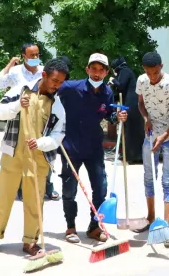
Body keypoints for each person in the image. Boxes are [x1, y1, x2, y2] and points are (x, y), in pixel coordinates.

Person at [0, 57, 70, 256]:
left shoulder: (57, 105)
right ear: (44, 75)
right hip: (13, 153)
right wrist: (16, 107)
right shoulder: (20, 91)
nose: (57, 85)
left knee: (34, 201)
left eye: (61, 82)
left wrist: (41, 143)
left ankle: (30, 241)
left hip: (38, 158)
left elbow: (58, 136)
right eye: (54, 80)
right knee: (4, 197)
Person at [57, 53, 128, 244]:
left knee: (100, 188)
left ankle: (94, 226)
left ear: (106, 72)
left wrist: (117, 117)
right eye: (93, 69)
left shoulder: (107, 93)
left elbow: (109, 115)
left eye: (101, 70)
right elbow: (50, 91)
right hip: (70, 146)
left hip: (94, 147)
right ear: (87, 69)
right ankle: (70, 227)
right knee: (69, 189)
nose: (97, 73)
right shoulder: (71, 88)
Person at [0, 43, 59, 202]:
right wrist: (10, 64)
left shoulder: (44, 71)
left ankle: (47, 187)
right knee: (18, 153)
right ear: (24, 56)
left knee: (43, 150)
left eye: (37, 55)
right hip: (19, 118)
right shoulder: (16, 72)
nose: (35, 58)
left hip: (41, 118)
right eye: (31, 55)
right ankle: (18, 188)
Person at [133, 51, 169, 247]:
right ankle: (151, 218)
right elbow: (140, 103)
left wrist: (165, 135)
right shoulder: (142, 81)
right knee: (148, 177)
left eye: (155, 72)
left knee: (168, 180)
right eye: (148, 73)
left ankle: (166, 227)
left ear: (161, 66)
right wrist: (146, 119)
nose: (152, 77)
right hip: (150, 135)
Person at [110, 56, 144, 164]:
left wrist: (112, 80)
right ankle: (130, 155)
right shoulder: (124, 72)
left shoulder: (125, 71)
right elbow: (119, 91)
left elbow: (121, 86)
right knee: (129, 129)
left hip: (132, 105)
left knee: (131, 130)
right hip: (130, 104)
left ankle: (131, 156)